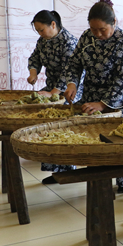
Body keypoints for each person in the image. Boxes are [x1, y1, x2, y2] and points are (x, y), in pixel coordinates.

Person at [63, 0, 123, 189]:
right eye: (93, 29)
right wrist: (72, 83)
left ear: (114, 23)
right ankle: (98, 181)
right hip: (92, 93)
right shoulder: (86, 37)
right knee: (94, 138)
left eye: (102, 30)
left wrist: (103, 104)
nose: (97, 34)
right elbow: (75, 63)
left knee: (121, 138)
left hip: (120, 99)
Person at [28, 10, 83, 183]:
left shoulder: (69, 41)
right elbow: (35, 57)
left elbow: (70, 71)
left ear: (53, 25)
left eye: (41, 29)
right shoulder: (43, 41)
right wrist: (33, 73)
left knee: (64, 127)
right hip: (54, 87)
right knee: (48, 125)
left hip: (70, 88)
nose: (40, 34)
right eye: (37, 31)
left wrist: (53, 93)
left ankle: (69, 171)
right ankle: (57, 172)